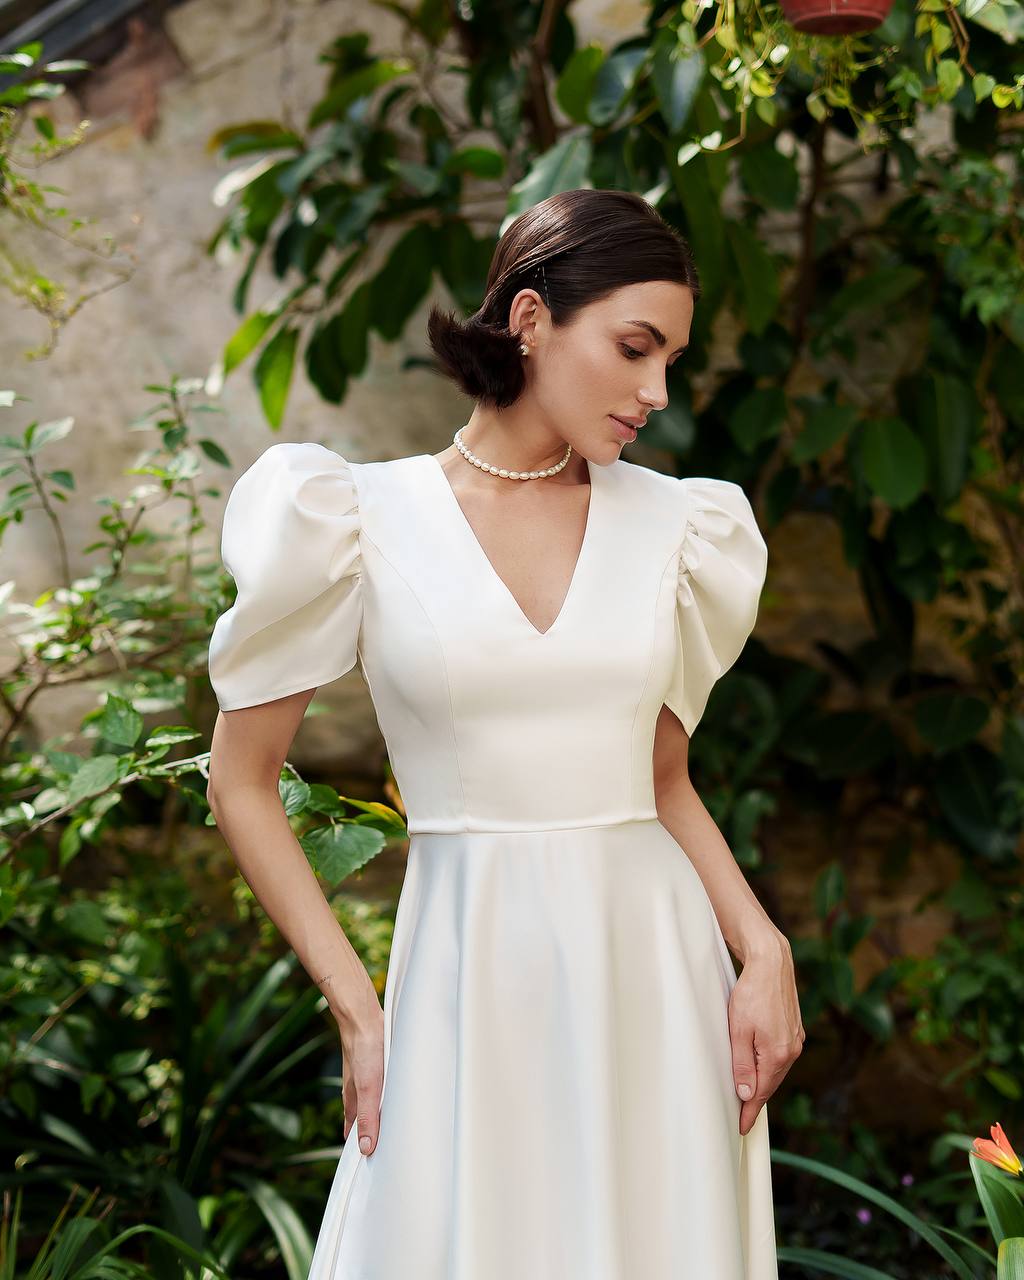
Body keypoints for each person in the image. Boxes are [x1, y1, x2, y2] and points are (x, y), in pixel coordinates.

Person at [206, 187, 803, 1280]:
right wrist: (357, 1005)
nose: (655, 390)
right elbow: (240, 780)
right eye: (633, 347)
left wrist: (761, 947)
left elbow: (664, 780)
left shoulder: (682, 526)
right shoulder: (352, 517)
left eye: (669, 356)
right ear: (529, 318)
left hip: (653, 971)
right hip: (463, 970)